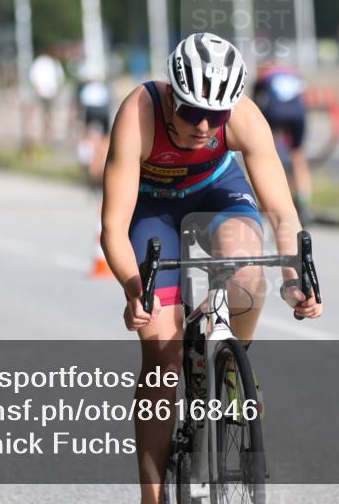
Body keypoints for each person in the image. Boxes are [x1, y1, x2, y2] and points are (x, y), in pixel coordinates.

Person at [100, 32, 323, 503]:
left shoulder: (245, 116)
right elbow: (113, 229)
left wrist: (294, 280)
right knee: (162, 359)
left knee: (245, 269)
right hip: (153, 208)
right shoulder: (137, 114)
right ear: (171, 96)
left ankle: (231, 364)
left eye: (216, 116)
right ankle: (152, 496)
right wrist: (134, 288)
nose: (204, 126)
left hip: (216, 191)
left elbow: (283, 214)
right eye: (192, 112)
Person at [253, 58, 313, 222]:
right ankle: (304, 203)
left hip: (275, 112)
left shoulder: (264, 75)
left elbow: (255, 104)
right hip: (299, 114)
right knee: (297, 155)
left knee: (267, 154)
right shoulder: (292, 72)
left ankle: (271, 199)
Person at [74, 63, 112, 185]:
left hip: (90, 111)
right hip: (102, 111)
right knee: (105, 137)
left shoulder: (86, 88)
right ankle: (103, 159)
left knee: (88, 136)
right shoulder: (103, 87)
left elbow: (82, 106)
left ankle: (88, 161)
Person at [28, 53, 65, 143]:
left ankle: (47, 132)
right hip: (42, 93)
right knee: (42, 113)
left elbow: (59, 78)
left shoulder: (53, 63)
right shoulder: (41, 62)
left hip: (50, 93)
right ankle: (42, 133)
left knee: (48, 114)